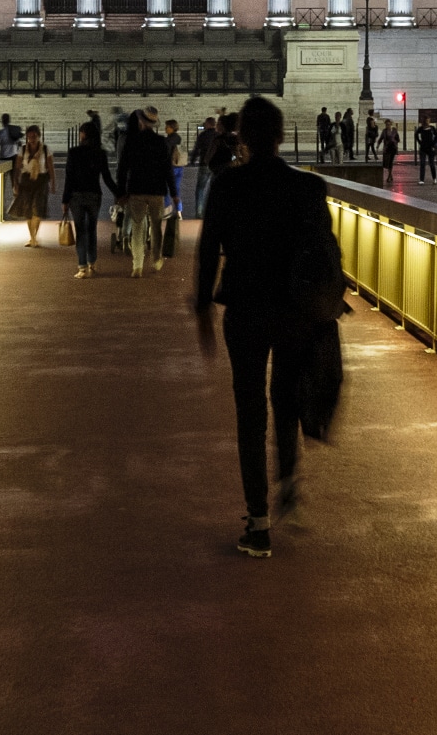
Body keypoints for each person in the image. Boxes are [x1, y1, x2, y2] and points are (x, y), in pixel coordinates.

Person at [195, 94, 334, 558]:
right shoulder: (309, 188)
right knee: (287, 399)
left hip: (246, 312)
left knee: (250, 412)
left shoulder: (228, 186)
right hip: (294, 311)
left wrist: (201, 309)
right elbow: (326, 254)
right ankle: (289, 476)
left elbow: (208, 250)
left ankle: (258, 522)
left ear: (243, 138)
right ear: (279, 135)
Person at [115, 111, 173, 278]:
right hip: (156, 190)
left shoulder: (132, 142)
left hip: (137, 189)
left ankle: (137, 265)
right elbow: (167, 169)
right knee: (156, 227)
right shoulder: (161, 142)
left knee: (137, 226)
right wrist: (173, 192)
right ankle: (156, 258)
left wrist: (120, 191)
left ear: (141, 123)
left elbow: (123, 168)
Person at [61, 120, 114, 278]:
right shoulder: (100, 153)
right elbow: (107, 178)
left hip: (76, 196)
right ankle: (93, 262)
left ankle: (82, 266)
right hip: (94, 195)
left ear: (83, 134)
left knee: (80, 230)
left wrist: (65, 200)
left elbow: (69, 178)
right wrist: (119, 193)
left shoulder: (74, 152)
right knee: (91, 229)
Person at [13, 125, 51, 245]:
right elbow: (18, 167)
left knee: (38, 208)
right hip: (26, 180)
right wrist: (15, 183)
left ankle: (34, 236)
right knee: (28, 209)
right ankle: (32, 237)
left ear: (38, 136)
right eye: (29, 136)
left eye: (34, 136)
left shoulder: (45, 149)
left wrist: (54, 183)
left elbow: (51, 167)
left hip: (41, 180)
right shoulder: (23, 150)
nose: (31, 139)